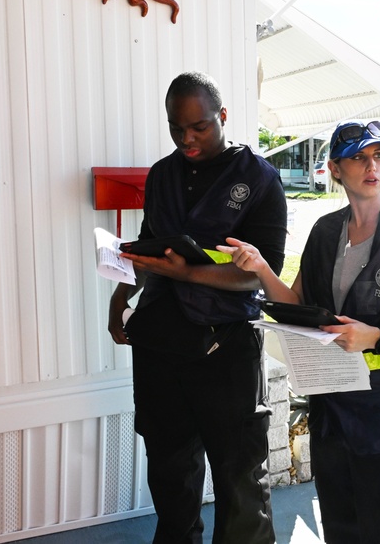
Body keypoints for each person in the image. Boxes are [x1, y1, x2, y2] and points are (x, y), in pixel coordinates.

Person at [218, 119, 380, 544]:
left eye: (379, 156)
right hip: (333, 416)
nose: (372, 165)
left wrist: (377, 336)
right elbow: (297, 308)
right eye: (359, 157)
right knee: (343, 531)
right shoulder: (326, 231)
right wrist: (261, 268)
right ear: (335, 169)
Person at [108, 71, 287, 544]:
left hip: (225, 349)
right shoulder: (162, 173)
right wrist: (121, 295)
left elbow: (259, 274)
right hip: (160, 346)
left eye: (199, 127)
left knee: (239, 478)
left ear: (222, 117)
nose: (187, 138)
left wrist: (184, 273)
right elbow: (149, 248)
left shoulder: (260, 180)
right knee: (169, 471)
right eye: (176, 127)